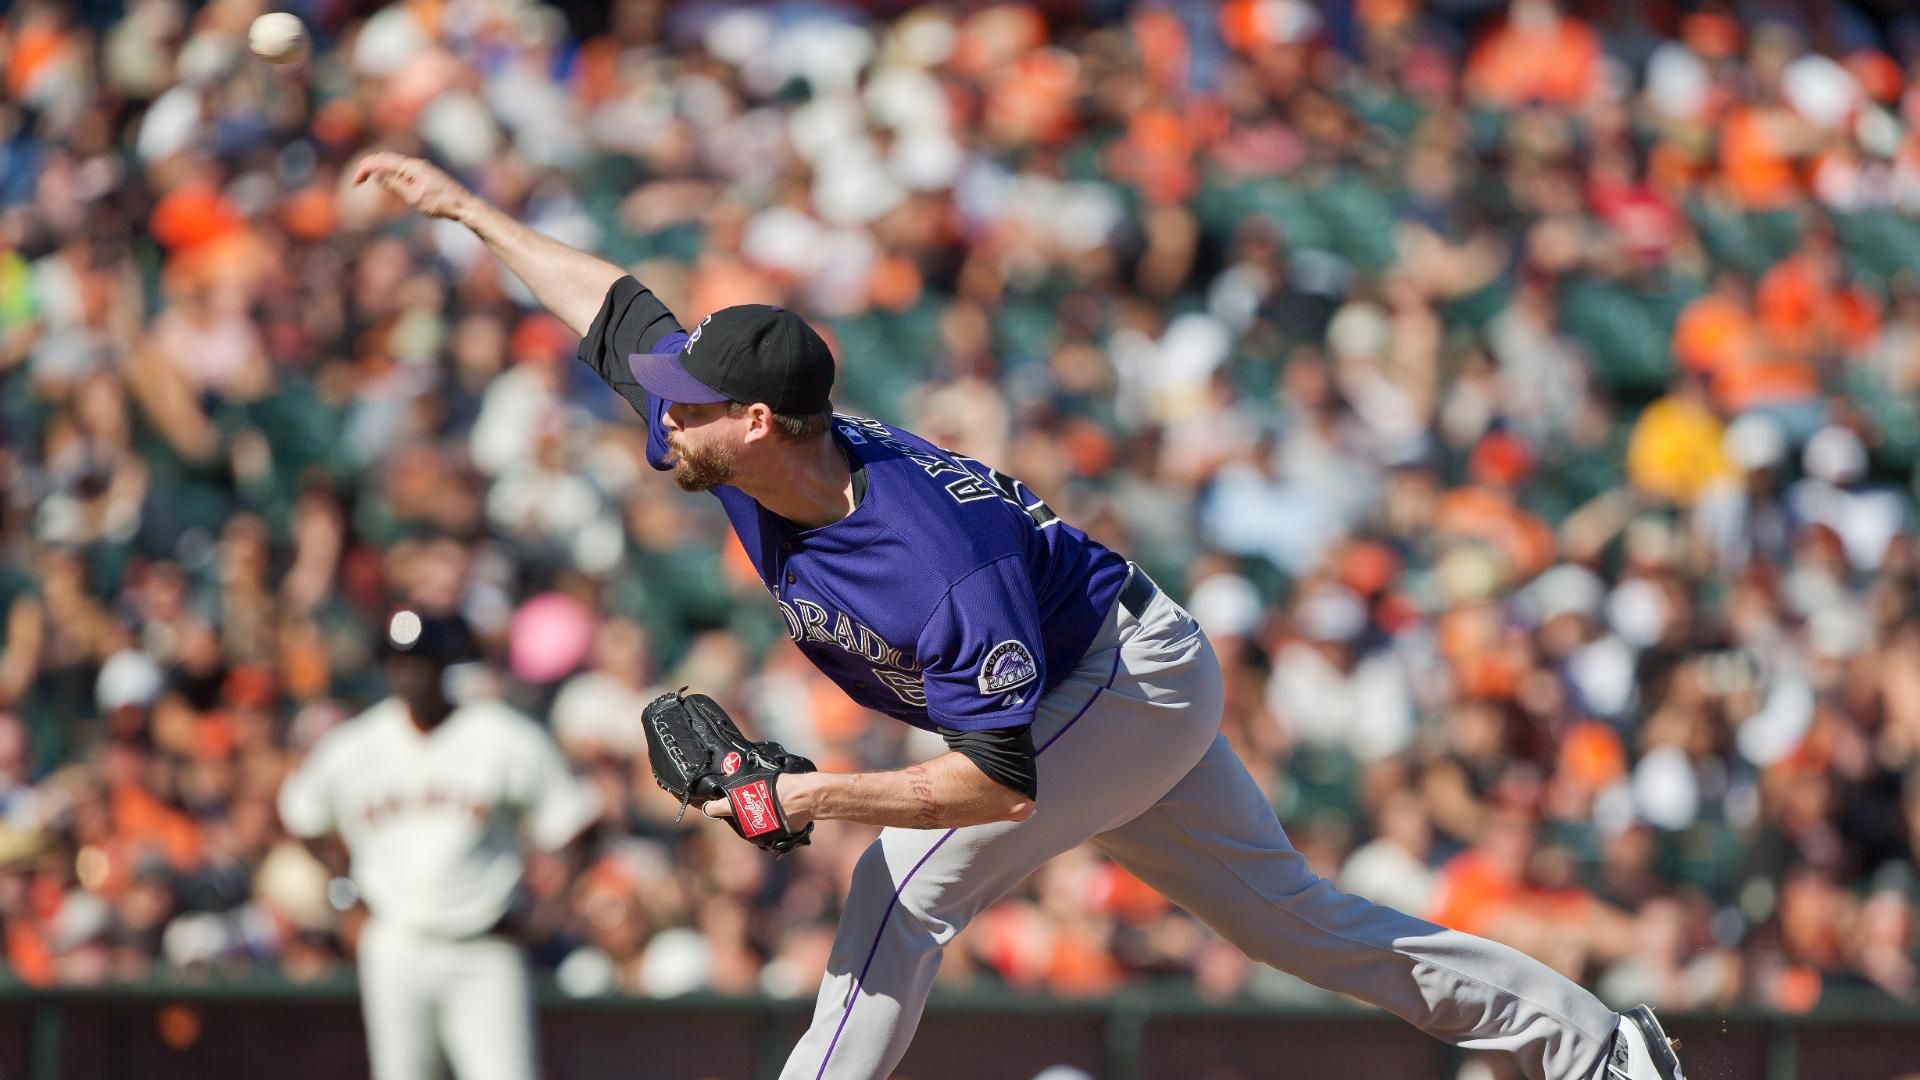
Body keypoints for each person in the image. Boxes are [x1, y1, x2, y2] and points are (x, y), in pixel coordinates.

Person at [349, 151, 1688, 1080]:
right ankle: (1599, 1051)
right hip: (1088, 680)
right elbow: (612, 307)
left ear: (759, 423)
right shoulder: (748, 442)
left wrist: (807, 799)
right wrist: (467, 210)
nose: (663, 415)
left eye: (690, 404)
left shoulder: (931, 557)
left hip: (1115, 683)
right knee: (1301, 923)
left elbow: (996, 788)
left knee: (898, 894)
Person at [278, 607, 602, 1080]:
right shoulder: (357, 744)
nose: (408, 674)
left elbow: (577, 822)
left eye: (420, 662)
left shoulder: (500, 736)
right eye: (398, 662)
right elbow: (300, 812)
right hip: (394, 941)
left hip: (483, 943)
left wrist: (548, 914)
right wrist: (343, 890)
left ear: (445, 666)